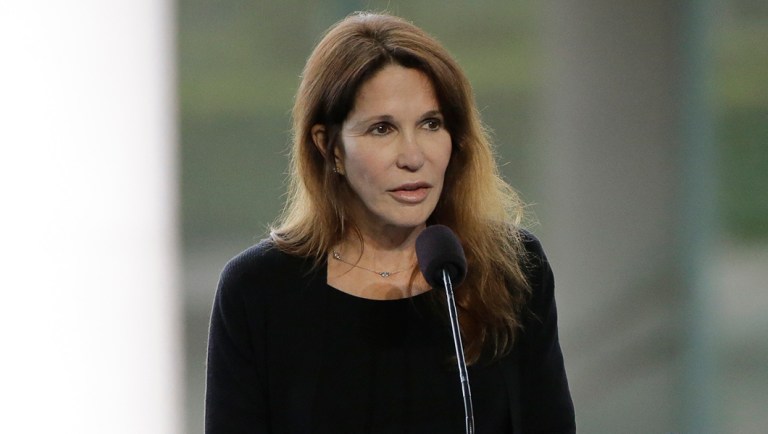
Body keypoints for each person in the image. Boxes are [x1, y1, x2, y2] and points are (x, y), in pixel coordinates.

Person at [205, 12, 575, 434]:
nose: (413, 157)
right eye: (382, 129)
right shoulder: (259, 291)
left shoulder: (512, 268)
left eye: (431, 124)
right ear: (330, 147)